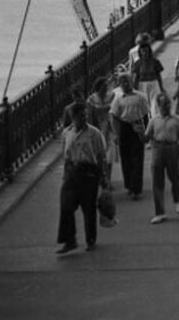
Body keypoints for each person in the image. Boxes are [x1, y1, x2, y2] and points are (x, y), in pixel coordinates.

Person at [56, 103, 110, 254]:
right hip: (72, 172)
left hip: (89, 174)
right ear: (73, 117)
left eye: (85, 115)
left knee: (89, 208)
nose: (84, 118)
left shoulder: (94, 133)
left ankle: (90, 239)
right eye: (81, 116)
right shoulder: (67, 133)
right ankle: (69, 240)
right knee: (66, 205)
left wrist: (103, 177)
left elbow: (100, 156)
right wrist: (65, 173)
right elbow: (65, 155)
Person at [145, 90, 179, 223]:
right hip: (157, 148)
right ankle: (160, 212)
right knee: (157, 180)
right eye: (164, 104)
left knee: (175, 177)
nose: (167, 107)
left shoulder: (177, 120)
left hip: (172, 148)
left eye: (168, 104)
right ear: (158, 105)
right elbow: (147, 138)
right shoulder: (153, 120)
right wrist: (141, 135)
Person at [108, 74, 151, 198]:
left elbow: (145, 115)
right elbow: (114, 116)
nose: (124, 84)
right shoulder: (118, 99)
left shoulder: (140, 97)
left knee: (137, 157)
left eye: (126, 81)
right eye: (121, 82)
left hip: (137, 126)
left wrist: (146, 132)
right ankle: (129, 185)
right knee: (126, 157)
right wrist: (116, 133)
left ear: (131, 82)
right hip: (124, 127)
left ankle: (136, 188)